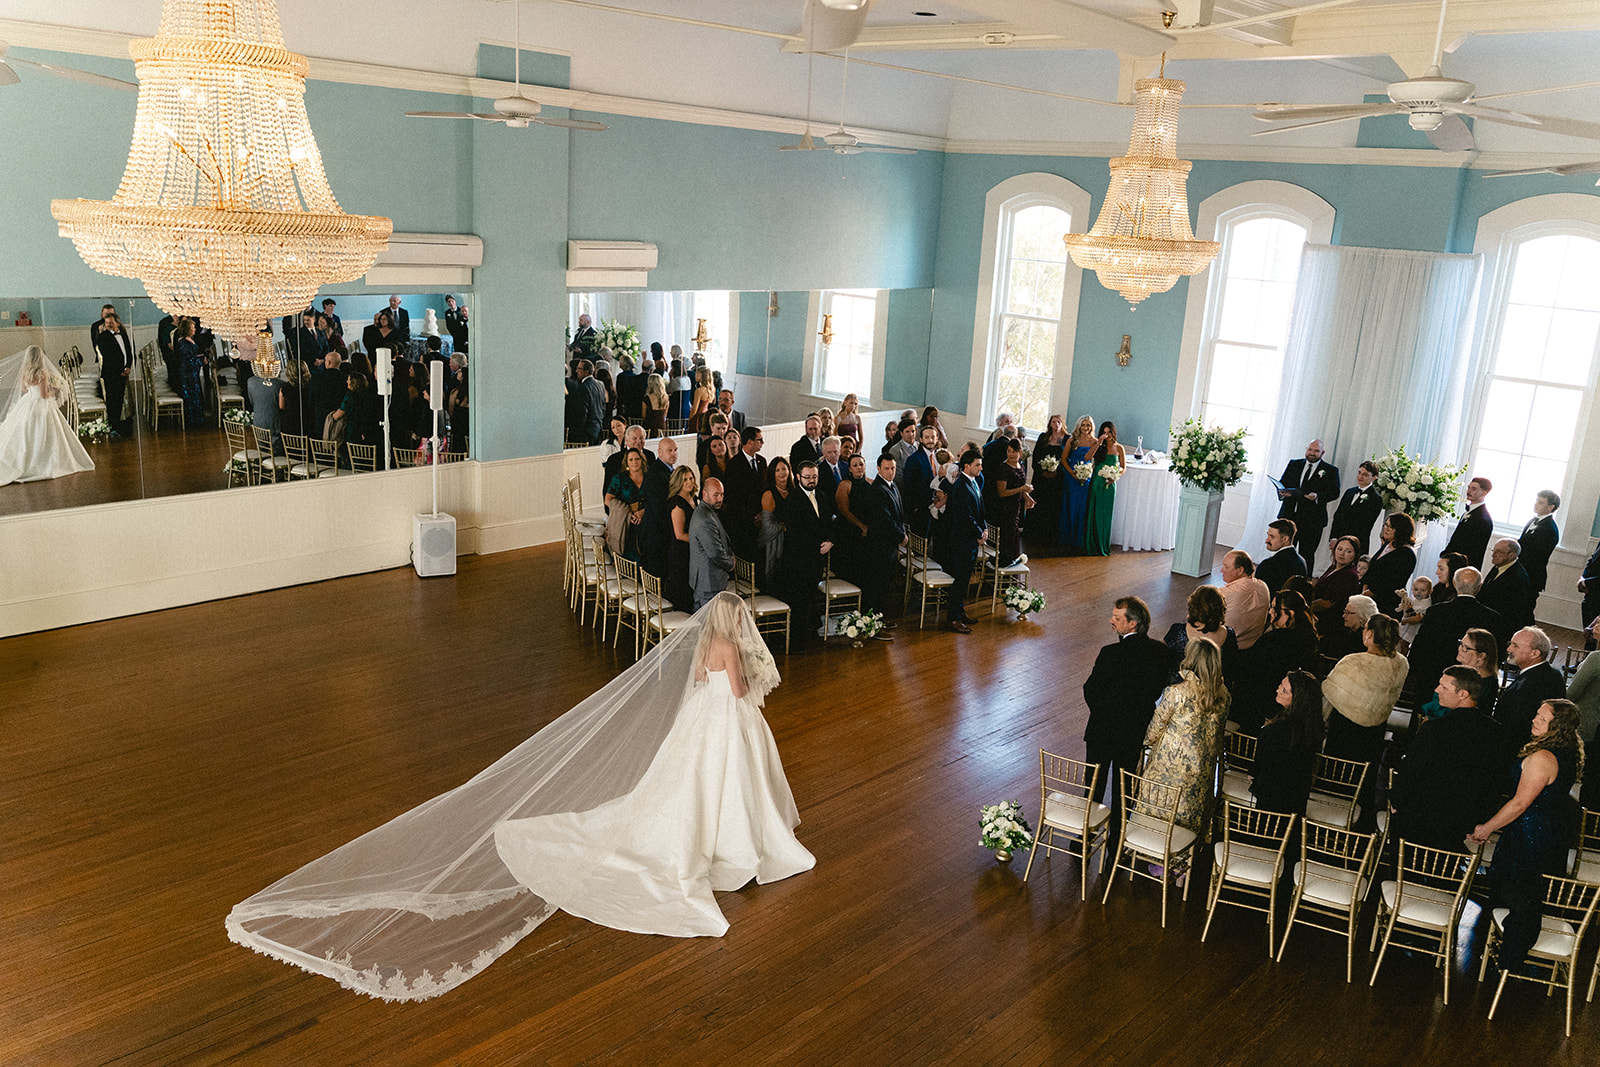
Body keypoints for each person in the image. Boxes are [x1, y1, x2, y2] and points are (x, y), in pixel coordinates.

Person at [228, 593, 815, 1000]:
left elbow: (697, 683)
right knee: (729, 791)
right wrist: (756, 676)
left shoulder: (704, 643)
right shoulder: (735, 650)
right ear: (738, 626)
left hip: (699, 727)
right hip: (727, 726)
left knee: (680, 789)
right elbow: (738, 689)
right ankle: (740, 849)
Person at [1471, 699, 1584, 974]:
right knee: (1526, 895)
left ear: (1556, 727)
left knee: (1518, 895)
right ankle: (1501, 956)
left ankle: (1506, 961)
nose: (1534, 719)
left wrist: (1487, 827)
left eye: (1542, 718)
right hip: (1547, 831)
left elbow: (1520, 803)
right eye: (1537, 713)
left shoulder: (1543, 757)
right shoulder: (1566, 750)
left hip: (1530, 835)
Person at [1388, 667, 1508, 851]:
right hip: (1460, 824)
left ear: (1463, 694)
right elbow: (1494, 782)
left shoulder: (1434, 729)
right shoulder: (1498, 733)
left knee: (1403, 874)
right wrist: (1480, 821)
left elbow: (1411, 771)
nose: (1437, 690)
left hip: (1418, 817)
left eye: (1443, 687)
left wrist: (1396, 802)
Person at [1082, 597, 1175, 809]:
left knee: (1093, 787)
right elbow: (1158, 689)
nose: (1110, 620)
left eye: (1116, 617)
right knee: (1124, 790)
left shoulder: (1110, 653)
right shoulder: (1161, 652)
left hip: (1102, 730)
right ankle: (1117, 837)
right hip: (1134, 729)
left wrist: (1104, 712)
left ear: (1133, 623)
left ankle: (1084, 836)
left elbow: (1090, 690)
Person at [1322, 614, 1408, 823]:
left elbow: (1330, 694)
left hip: (1344, 729)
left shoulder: (1354, 662)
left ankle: (1328, 823)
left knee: (1336, 780)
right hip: (1376, 731)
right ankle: (1359, 826)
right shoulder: (1402, 664)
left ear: (1369, 634)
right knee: (1364, 778)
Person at [1142, 640, 1231, 833]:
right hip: (1204, 767)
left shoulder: (1177, 692)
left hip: (1170, 768)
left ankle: (1155, 851)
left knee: (1161, 815)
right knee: (1190, 816)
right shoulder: (1224, 694)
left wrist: (1144, 742)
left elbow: (1154, 731)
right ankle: (1185, 856)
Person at [1403, 567, 1503, 705]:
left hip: (1434, 679)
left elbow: (1421, 646)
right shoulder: (1493, 618)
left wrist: (1412, 672)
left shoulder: (1436, 612)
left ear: (1455, 584)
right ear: (1479, 587)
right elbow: (1496, 655)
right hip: (1471, 686)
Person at [0, 346, 95, 484]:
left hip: (28, 402)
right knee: (46, 431)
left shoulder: (24, 371)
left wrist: (34, 390)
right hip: (40, 405)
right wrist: (55, 391)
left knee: (25, 432)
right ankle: (45, 460)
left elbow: (23, 389)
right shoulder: (42, 372)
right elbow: (44, 395)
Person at [1231, 590, 1321, 733]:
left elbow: (1250, 673)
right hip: (1291, 708)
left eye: (1275, 608)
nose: (1271, 612)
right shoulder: (1309, 638)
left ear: (1290, 614)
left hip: (1260, 707)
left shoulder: (1273, 640)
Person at [1250, 670, 1323, 816]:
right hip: (1295, 799)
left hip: (1271, 799)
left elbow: (1260, 765)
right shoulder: (1312, 728)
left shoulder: (1278, 730)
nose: (1277, 690)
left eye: (1284, 690)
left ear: (1297, 699)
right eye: (1280, 686)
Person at [935, 448, 986, 634]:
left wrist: (985, 528)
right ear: (967, 466)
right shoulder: (961, 486)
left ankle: (960, 611)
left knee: (964, 579)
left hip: (971, 539)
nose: (981, 468)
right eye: (977, 465)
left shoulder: (973, 482)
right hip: (962, 540)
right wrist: (979, 533)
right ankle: (953, 618)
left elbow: (980, 509)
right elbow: (965, 516)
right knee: (960, 579)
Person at [856, 454, 907, 628]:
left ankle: (879, 619)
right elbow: (884, 520)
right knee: (876, 586)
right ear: (878, 469)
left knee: (884, 585)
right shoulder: (877, 489)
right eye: (886, 468)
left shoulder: (892, 486)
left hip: (889, 546)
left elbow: (899, 514)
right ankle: (872, 623)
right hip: (878, 546)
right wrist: (901, 536)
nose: (891, 472)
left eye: (893, 468)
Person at [1275, 439, 1340, 574]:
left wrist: (1317, 496)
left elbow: (1334, 492)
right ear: (1306, 449)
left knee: (1307, 554)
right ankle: (1281, 577)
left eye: (1316, 451)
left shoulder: (1330, 470)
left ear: (1322, 453)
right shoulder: (1294, 464)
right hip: (1289, 516)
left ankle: (1304, 582)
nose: (1312, 453)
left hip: (1312, 521)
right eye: (1310, 449)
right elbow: (1283, 483)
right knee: (1284, 551)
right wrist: (1283, 491)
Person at [1495, 626, 1567, 746]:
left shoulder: (1535, 683)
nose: (1509, 649)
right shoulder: (1547, 673)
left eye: (1515, 646)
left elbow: (1518, 726)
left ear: (1535, 653)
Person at [689, 477, 735, 609]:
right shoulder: (705, 518)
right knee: (710, 625)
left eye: (722, 494)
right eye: (716, 495)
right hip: (708, 581)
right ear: (704, 493)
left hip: (707, 580)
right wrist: (730, 563)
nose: (720, 499)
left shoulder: (706, 511)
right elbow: (715, 552)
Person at [1361, 513, 1417, 618]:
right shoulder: (1388, 544)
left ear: (1401, 530)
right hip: (1369, 597)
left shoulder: (1406, 554)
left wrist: (1366, 594)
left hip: (1386, 603)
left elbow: (1392, 582)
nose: (1386, 529)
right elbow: (1372, 568)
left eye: (1391, 527)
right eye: (1386, 525)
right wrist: (1364, 589)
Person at [1083, 420, 1125, 557]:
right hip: (1097, 482)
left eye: (1109, 433)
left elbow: (1123, 467)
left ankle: (1103, 544)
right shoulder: (1099, 446)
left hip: (1110, 483)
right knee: (1094, 512)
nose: (1107, 435)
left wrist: (1115, 476)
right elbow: (1087, 457)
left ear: (1113, 433)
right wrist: (1098, 443)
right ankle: (1092, 544)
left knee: (1106, 514)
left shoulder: (1119, 448)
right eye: (1104, 433)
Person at [1310, 535, 1363, 640]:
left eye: (1348, 551)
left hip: (1330, 625)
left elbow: (1327, 603)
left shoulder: (1348, 575)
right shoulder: (1334, 567)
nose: (1342, 554)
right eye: (1339, 549)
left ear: (1355, 555)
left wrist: (1305, 607)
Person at [91, 308, 135, 436]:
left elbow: (129, 352)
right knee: (112, 402)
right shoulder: (103, 337)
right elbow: (109, 358)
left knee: (119, 400)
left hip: (123, 372)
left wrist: (128, 367)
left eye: (111, 323)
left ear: (117, 323)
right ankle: (112, 427)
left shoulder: (123, 334)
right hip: (112, 374)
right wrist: (120, 371)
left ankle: (119, 425)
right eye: (107, 323)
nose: (108, 325)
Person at [1478, 538, 1535, 635]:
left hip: (1502, 626)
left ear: (1511, 555)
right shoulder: (1499, 566)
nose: (1493, 554)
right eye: (1493, 550)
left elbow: (1508, 610)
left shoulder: (1517, 578)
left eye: (1499, 552)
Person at [1329, 460, 1385, 556]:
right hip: (1340, 541)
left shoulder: (1376, 498)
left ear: (1374, 478)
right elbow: (1338, 515)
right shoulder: (1349, 492)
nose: (1360, 477)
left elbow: (1365, 524)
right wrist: (1334, 537)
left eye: (1365, 475)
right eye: (1359, 473)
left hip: (1357, 544)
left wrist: (1349, 543)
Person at [1027, 414, 1067, 548]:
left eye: (1058, 422)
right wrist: (1042, 470)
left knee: (1053, 504)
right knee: (1039, 502)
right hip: (1041, 477)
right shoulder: (1043, 437)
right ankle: (1035, 534)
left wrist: (1056, 470)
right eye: (1053, 422)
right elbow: (1036, 455)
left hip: (1057, 478)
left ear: (1062, 424)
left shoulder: (1067, 439)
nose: (1056, 424)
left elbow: (1067, 458)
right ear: (1050, 424)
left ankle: (1050, 536)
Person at [1218, 550, 1270, 651]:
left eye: (1226, 567)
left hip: (1228, 650)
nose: (1221, 570)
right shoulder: (1263, 587)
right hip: (1255, 647)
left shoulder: (1224, 594)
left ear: (1240, 570)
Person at [604, 448, 649, 562]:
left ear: (642, 460)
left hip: (647, 518)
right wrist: (627, 513)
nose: (634, 462)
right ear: (627, 462)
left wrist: (643, 512)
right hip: (626, 523)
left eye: (637, 459)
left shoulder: (649, 477)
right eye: (631, 459)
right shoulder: (620, 478)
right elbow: (608, 500)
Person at [993, 437, 1031, 568]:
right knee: (1007, 537)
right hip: (1005, 508)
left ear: (1020, 452)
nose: (1011, 454)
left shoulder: (1021, 465)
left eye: (1014, 451)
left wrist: (1027, 496)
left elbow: (1020, 486)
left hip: (1017, 507)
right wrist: (1022, 489)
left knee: (1015, 535)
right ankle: (1005, 564)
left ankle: (1013, 564)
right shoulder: (1003, 468)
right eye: (1009, 451)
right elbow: (1002, 492)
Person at [664, 466, 699, 612]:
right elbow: (680, 534)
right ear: (678, 482)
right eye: (685, 480)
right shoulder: (677, 504)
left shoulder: (694, 498)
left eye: (691, 478)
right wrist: (701, 541)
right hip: (681, 553)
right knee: (682, 590)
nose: (689, 482)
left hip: (692, 551)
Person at [1060, 415, 1096, 551]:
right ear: (1079, 426)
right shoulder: (1072, 440)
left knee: (1083, 508)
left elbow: (1095, 462)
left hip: (1085, 478)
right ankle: (1067, 537)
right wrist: (1073, 474)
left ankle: (1079, 538)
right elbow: (1063, 460)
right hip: (1071, 477)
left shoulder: (1094, 441)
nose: (1085, 428)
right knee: (1070, 506)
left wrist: (1087, 473)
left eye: (1088, 425)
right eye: (1083, 425)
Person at [1444, 476, 1493, 571]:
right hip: (1453, 562)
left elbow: (1473, 551)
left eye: (1473, 489)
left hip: (1463, 568)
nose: (1469, 491)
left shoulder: (1483, 519)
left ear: (1484, 493)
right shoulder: (1470, 512)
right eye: (1468, 487)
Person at [1257, 519, 1308, 594]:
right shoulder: (1302, 561)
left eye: (1272, 537)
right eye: (1268, 535)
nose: (1267, 540)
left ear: (1285, 539)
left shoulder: (1268, 565)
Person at [1396, 576, 1432, 652]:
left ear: (1430, 591)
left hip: (1414, 629)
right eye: (1416, 589)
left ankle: (1404, 657)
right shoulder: (1416, 599)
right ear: (1412, 589)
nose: (1419, 592)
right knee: (1400, 640)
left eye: (1423, 590)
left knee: (1404, 644)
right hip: (1407, 626)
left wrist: (1405, 620)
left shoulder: (1425, 604)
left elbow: (1417, 618)